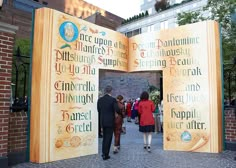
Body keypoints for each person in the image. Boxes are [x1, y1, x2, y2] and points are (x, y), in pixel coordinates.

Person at [97, 85, 119, 160]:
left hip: (102, 121)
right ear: (111, 91)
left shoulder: (100, 100)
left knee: (104, 138)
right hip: (110, 121)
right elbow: (117, 109)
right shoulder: (113, 100)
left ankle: (103, 153)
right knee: (108, 138)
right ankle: (106, 154)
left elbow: (98, 110)